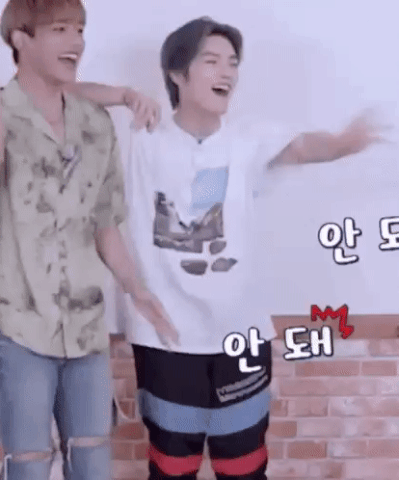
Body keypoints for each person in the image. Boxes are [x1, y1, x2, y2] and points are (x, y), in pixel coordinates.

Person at [99, 16, 386, 480]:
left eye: (233, 63)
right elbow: (60, 96)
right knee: (172, 466)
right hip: (165, 337)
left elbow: (303, 147)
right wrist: (124, 95)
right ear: (176, 74)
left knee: (243, 464)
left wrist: (343, 143)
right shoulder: (142, 140)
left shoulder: (248, 139)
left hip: (240, 335)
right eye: (211, 61)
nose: (226, 72)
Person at [0, 1, 178, 479]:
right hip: (18, 325)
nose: (76, 41)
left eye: (79, 29)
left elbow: (105, 223)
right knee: (29, 468)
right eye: (60, 29)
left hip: (86, 328)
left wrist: (138, 290)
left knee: (93, 466)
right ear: (20, 39)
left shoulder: (95, 124)